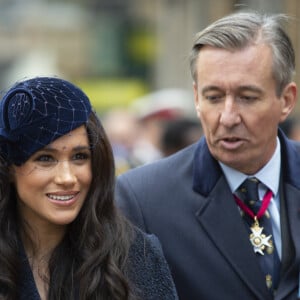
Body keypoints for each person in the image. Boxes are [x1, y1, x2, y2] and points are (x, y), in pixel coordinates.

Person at [115, 11, 300, 300]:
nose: (227, 117)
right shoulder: (143, 200)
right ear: (197, 98)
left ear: (286, 100)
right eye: (213, 97)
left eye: (247, 97)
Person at [0, 76, 178, 300]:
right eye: (45, 158)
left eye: (79, 157)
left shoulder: (136, 255)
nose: (67, 177)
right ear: (9, 169)